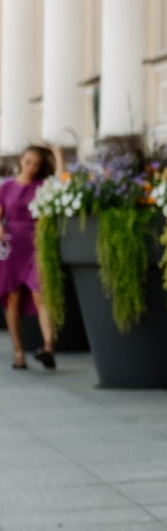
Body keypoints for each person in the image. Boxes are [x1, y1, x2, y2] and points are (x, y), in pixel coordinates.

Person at [0, 144, 60, 371]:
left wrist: (57, 155)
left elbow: (61, 185)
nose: (32, 167)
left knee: (40, 294)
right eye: (28, 162)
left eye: (36, 164)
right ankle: (18, 353)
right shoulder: (6, 187)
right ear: (20, 161)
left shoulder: (41, 186)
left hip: (37, 245)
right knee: (13, 299)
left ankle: (48, 348)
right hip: (12, 247)